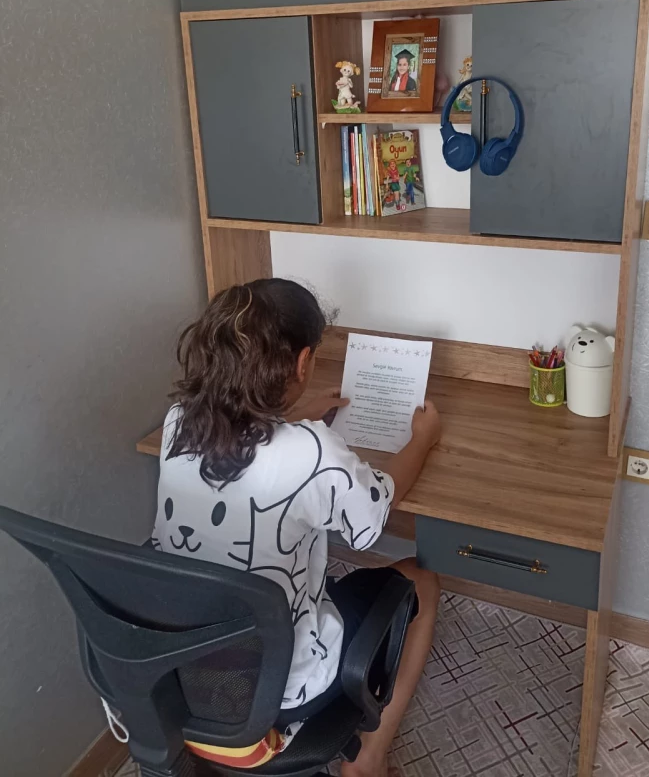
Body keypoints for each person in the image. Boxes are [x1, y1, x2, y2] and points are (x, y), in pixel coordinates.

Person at [152, 279, 441, 777]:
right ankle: (368, 761)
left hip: (188, 672)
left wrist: (283, 414)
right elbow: (377, 508)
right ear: (303, 363)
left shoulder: (179, 422)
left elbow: (246, 446)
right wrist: (423, 439)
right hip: (281, 693)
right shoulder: (312, 450)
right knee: (423, 581)